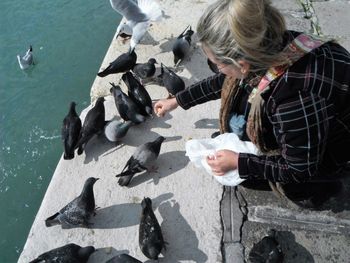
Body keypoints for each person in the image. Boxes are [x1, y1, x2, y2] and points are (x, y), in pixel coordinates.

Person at [154, 0, 350, 209]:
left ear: (243, 65)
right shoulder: (276, 44)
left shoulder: (293, 99)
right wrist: (178, 100)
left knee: (247, 174)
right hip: (314, 120)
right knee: (238, 125)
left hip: (330, 149)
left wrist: (240, 162)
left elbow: (299, 168)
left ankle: (318, 189)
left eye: (216, 64)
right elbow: (224, 81)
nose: (216, 69)